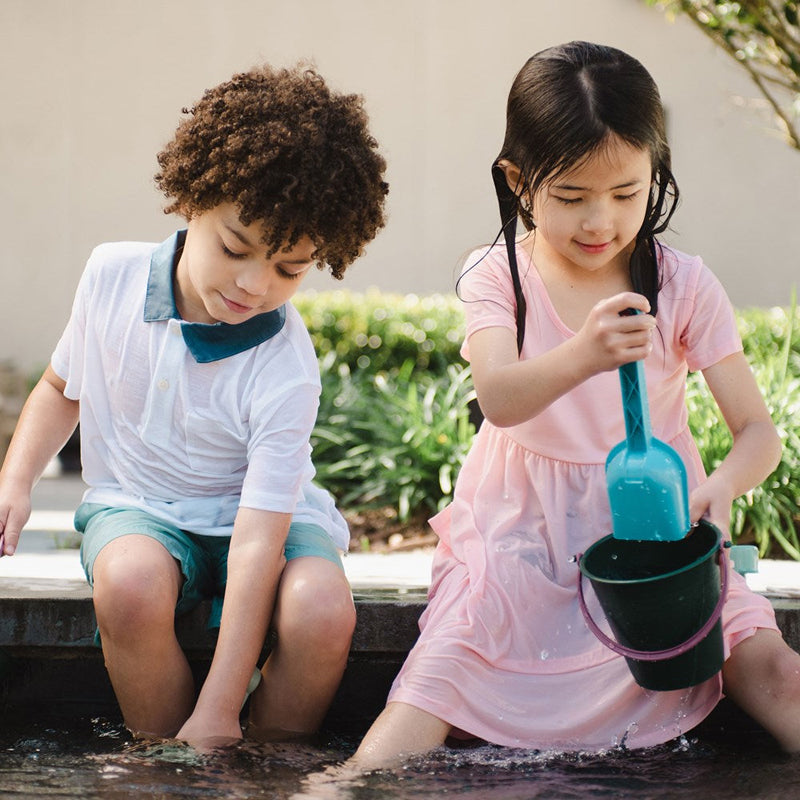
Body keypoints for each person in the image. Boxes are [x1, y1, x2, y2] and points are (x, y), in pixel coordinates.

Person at [352, 41, 800, 769]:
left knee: (775, 670)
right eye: (571, 197)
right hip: (518, 535)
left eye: (627, 193)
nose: (601, 222)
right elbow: (498, 398)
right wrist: (584, 353)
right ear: (519, 181)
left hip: (652, 538)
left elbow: (756, 431)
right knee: (435, 682)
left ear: (656, 170)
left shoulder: (681, 284)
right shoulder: (497, 274)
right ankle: (344, 786)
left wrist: (718, 489)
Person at [0, 64, 388, 748]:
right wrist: (15, 480)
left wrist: (221, 707)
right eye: (234, 247)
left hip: (263, 522)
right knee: (129, 587)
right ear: (192, 200)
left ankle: (263, 768)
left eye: (288, 268)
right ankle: (163, 766)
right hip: (141, 506)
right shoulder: (110, 278)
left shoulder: (284, 364)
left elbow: (259, 542)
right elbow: (63, 388)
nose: (252, 284)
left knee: (322, 612)